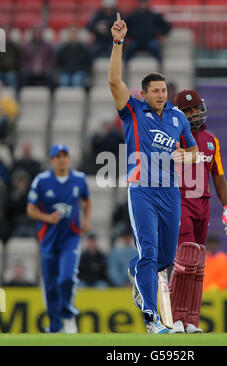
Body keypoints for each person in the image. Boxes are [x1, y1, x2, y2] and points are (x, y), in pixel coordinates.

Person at [108, 13, 198, 334]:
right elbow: (113, 82)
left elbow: (193, 151)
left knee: (163, 261)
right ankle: (152, 318)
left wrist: (184, 155)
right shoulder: (133, 110)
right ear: (143, 94)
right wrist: (118, 43)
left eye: (163, 90)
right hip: (142, 188)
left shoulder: (177, 118)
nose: (161, 94)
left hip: (170, 191)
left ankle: (136, 272)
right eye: (155, 91)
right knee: (148, 251)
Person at [169, 89, 227, 334]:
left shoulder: (212, 139)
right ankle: (174, 317)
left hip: (203, 203)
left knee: (198, 264)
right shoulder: (171, 136)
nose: (194, 113)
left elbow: (218, 177)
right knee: (185, 260)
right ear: (179, 113)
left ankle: (191, 320)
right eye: (188, 110)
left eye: (196, 108)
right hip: (179, 199)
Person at [27, 143, 92, 333]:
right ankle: (55, 326)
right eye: (58, 156)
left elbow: (87, 200)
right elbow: (30, 209)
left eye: (65, 155)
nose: (62, 159)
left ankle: (68, 314)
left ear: (69, 158)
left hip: (71, 237)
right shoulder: (41, 180)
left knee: (66, 278)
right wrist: (47, 217)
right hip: (48, 239)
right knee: (50, 284)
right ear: (52, 160)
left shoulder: (79, 179)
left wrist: (86, 220)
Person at [124, 0, 171, 69]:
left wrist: (159, 33)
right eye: (142, 4)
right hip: (136, 40)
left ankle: (161, 69)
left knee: (156, 50)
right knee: (128, 51)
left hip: (150, 40)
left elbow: (167, 26)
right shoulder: (133, 15)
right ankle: (124, 69)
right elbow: (125, 26)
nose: (143, 5)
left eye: (145, 3)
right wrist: (129, 35)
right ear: (139, 5)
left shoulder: (154, 15)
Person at [19, 25, 56, 91]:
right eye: (35, 33)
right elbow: (22, 59)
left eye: (38, 33)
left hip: (44, 71)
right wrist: (25, 68)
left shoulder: (47, 46)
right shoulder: (26, 46)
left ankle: (51, 98)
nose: (37, 35)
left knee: (50, 78)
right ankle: (19, 97)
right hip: (30, 71)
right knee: (22, 78)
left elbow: (52, 59)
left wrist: (48, 68)